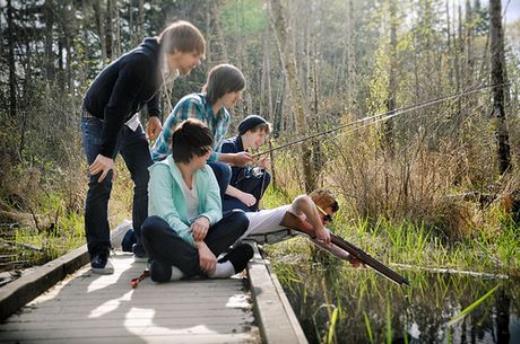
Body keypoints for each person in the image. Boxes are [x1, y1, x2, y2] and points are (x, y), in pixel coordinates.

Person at [81, 21, 205, 274]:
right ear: (179, 49)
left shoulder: (163, 63)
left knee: (147, 178)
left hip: (127, 118)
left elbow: (151, 88)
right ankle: (99, 253)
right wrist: (106, 153)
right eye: (196, 55)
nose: (198, 62)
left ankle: (142, 243)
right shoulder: (141, 61)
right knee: (101, 179)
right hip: (99, 118)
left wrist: (154, 114)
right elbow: (114, 107)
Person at [141, 119, 253, 282]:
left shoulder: (206, 171)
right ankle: (215, 270)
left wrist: (205, 219)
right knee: (151, 226)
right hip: (174, 240)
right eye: (206, 150)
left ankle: (178, 271)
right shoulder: (161, 172)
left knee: (239, 218)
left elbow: (215, 208)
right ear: (192, 152)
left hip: (198, 238)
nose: (210, 154)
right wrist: (200, 246)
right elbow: (168, 217)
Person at [151, 63, 253, 198]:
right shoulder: (193, 104)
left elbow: (210, 156)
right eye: (236, 91)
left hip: (193, 168)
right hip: (167, 165)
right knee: (221, 170)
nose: (239, 97)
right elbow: (192, 151)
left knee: (222, 172)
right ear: (223, 87)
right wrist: (232, 158)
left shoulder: (224, 117)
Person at [240, 189, 362, 267]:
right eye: (326, 218)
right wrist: (319, 228)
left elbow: (328, 245)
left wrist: (348, 256)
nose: (327, 223)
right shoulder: (298, 213)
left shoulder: (304, 226)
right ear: (316, 208)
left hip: (236, 237)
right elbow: (303, 199)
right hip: (235, 225)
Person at [221, 115, 272, 212]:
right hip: (221, 199)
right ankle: (247, 211)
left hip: (234, 197)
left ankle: (252, 209)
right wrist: (242, 196)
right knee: (244, 211)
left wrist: (259, 168)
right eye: (260, 135)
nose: (262, 140)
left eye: (264, 137)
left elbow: (242, 178)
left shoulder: (246, 151)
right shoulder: (228, 146)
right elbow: (217, 181)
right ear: (248, 131)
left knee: (264, 175)